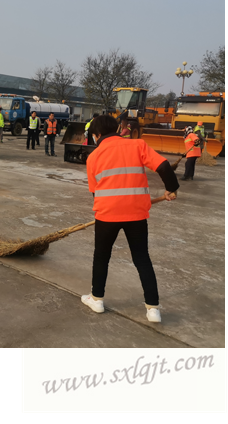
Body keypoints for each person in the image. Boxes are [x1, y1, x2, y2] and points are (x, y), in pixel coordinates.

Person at [82, 115, 179, 323]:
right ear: (116, 129)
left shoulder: (93, 157)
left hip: (106, 215)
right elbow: (163, 166)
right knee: (142, 258)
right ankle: (153, 308)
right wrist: (171, 188)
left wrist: (106, 210)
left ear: (97, 135)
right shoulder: (137, 145)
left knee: (101, 257)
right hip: (136, 214)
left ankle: (96, 299)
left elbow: (95, 193)